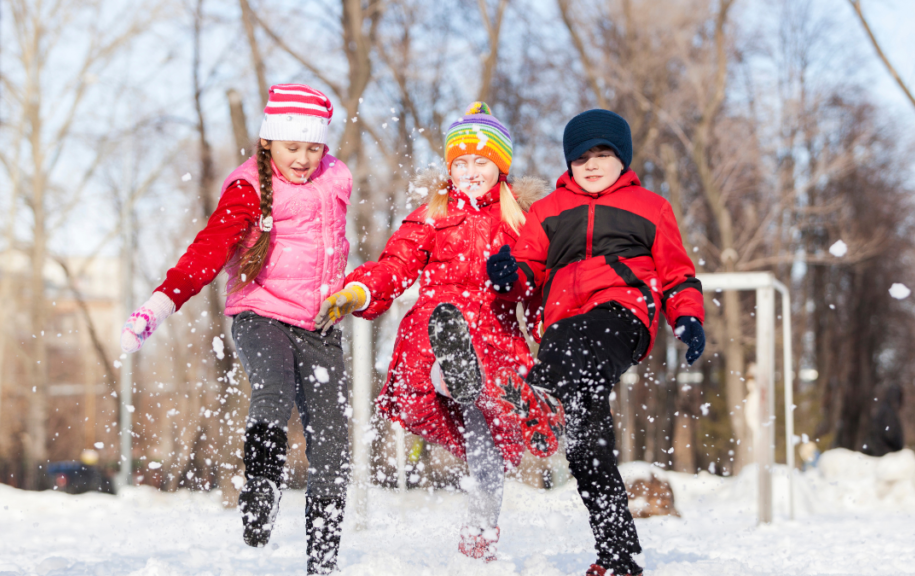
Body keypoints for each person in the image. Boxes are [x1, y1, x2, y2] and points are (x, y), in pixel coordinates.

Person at [316, 102, 565, 563]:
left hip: (494, 336)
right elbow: (396, 265)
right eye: (461, 163)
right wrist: (357, 292)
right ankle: (448, 375)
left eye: (481, 162)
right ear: (450, 167)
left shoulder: (520, 221)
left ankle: (480, 538)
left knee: (485, 445)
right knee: (445, 362)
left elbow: (535, 288)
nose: (471, 171)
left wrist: (552, 331)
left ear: (500, 166)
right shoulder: (432, 213)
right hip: (437, 328)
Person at [120, 84, 352, 575]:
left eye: (314, 147)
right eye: (293, 147)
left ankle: (323, 563)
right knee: (274, 389)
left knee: (332, 442)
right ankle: (261, 486)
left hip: (319, 323)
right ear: (268, 142)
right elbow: (208, 250)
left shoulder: (338, 178)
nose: (305, 159)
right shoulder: (249, 187)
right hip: (259, 314)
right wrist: (161, 304)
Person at [486, 109, 706, 576]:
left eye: (603, 154)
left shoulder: (651, 207)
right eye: (582, 156)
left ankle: (542, 396)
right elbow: (529, 269)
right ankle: (618, 555)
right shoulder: (548, 211)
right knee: (587, 443)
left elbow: (676, 272)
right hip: (561, 323)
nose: (591, 164)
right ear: (569, 162)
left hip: (622, 314)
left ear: (621, 159)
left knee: (581, 340)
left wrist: (686, 317)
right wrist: (510, 276)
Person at [862, 385, 905, 457]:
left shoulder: (883, 409)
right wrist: (898, 446)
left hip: (879, 452)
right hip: (883, 454)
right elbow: (890, 434)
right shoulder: (888, 413)